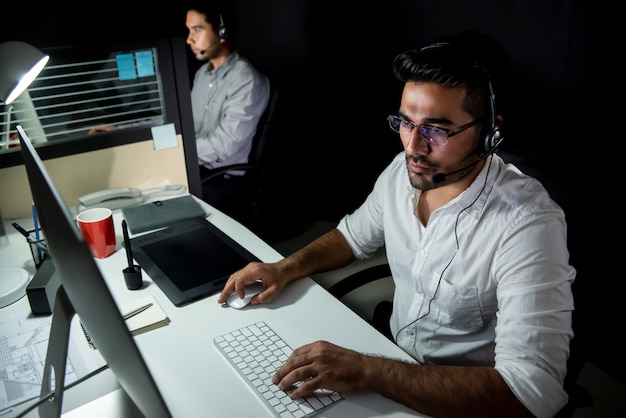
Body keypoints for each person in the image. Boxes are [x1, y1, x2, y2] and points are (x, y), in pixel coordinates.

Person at [217, 30, 576, 418]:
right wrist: (283, 268)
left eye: (436, 129)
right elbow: (352, 237)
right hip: (391, 366)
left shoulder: (528, 224)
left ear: (490, 132)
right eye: (406, 122)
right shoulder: (401, 172)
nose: (413, 146)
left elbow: (531, 392)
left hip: (457, 400)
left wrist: (368, 370)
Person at [185, 2, 270, 216]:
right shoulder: (202, 74)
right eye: (189, 31)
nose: (189, 39)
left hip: (225, 182)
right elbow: (186, 124)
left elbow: (225, 145)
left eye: (197, 30)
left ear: (222, 31)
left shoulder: (245, 79)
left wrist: (180, 153)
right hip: (199, 171)